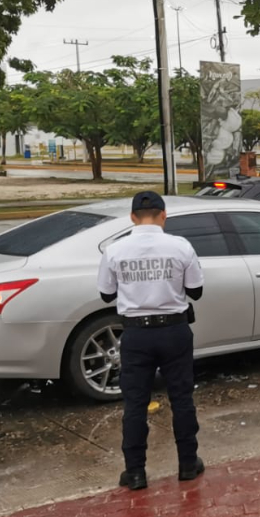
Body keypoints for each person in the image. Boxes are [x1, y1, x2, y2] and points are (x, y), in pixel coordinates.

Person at [97, 192, 206, 491]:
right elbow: (195, 290)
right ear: (163, 215)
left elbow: (106, 294)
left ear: (132, 217)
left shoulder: (115, 250)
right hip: (174, 331)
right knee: (182, 398)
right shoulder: (180, 246)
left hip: (136, 335)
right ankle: (187, 464)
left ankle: (135, 473)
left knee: (135, 403)